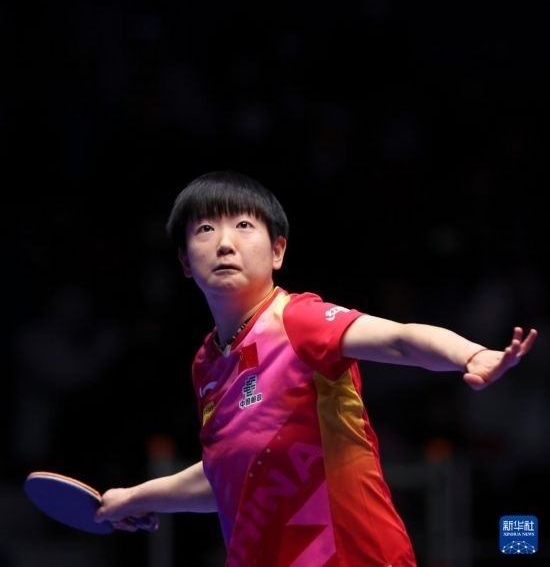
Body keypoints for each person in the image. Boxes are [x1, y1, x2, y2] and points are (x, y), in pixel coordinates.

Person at [95, 170, 538, 567]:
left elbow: (399, 340)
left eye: (244, 225)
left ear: (277, 251)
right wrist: (134, 497)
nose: (225, 243)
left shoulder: (297, 320)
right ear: (185, 262)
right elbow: (230, 476)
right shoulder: (207, 365)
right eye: (205, 229)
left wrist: (469, 355)